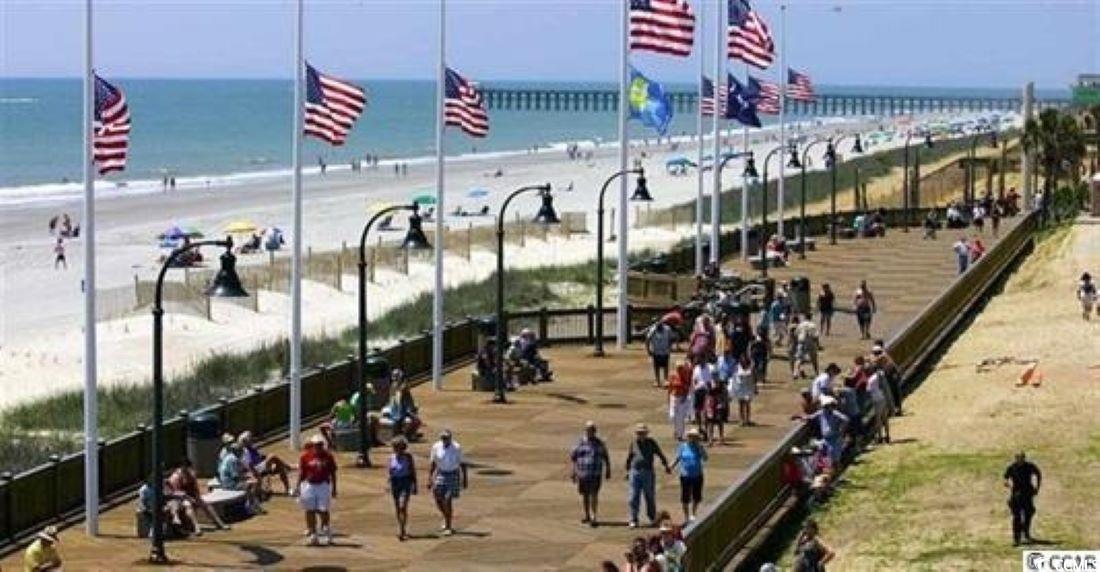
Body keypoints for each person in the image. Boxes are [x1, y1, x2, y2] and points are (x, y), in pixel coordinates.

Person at [624, 423, 671, 528]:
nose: (640, 435)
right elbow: (629, 457)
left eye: (642, 433)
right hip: (635, 472)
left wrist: (666, 465)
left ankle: (652, 517)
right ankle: (634, 518)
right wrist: (627, 471)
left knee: (649, 496)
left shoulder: (651, 442)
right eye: (639, 433)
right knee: (633, 496)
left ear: (646, 434)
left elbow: (660, 454)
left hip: (648, 472)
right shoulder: (633, 443)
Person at [167, 458, 229, 530]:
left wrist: (197, 498)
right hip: (178, 499)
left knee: (206, 505)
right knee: (188, 505)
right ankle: (196, 527)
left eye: (188, 467)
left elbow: (195, 489)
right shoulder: (175, 477)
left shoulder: (191, 474)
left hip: (190, 496)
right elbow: (176, 493)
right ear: (181, 467)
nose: (187, 469)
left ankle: (220, 524)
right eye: (185, 467)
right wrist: (189, 498)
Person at [297, 434, 338, 546]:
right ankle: (313, 533)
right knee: (309, 509)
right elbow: (302, 473)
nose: (318, 447)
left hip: (323, 485)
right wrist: (298, 487)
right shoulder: (305, 457)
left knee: (323, 509)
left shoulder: (328, 456)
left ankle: (325, 528)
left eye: (320, 445)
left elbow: (333, 473)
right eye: (316, 445)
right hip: (309, 485)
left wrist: (334, 488)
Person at [570, 421, 611, 527]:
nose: (590, 432)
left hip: (595, 473)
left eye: (592, 430)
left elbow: (605, 456)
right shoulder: (580, 443)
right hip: (583, 473)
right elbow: (574, 458)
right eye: (588, 430)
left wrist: (608, 470)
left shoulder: (599, 443)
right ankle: (587, 514)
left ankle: (594, 516)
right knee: (585, 495)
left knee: (594, 494)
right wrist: (574, 472)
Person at [429, 429, 468, 536]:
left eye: (446, 438)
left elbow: (463, 464)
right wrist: (430, 478)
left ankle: (448, 525)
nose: (444, 440)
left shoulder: (457, 447)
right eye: (443, 438)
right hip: (441, 473)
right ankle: (446, 516)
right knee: (437, 498)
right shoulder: (436, 446)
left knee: (447, 499)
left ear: (450, 438)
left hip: (453, 474)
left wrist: (464, 479)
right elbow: (433, 463)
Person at [1004, 452, 1042, 546]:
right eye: (1018, 458)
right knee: (1016, 517)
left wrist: (1037, 487)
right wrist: (1006, 482)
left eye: (1021, 458)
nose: (1020, 460)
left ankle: (1026, 533)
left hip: (1028, 493)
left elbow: (1038, 474)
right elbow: (1006, 476)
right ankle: (1016, 538)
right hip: (1016, 494)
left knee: (1029, 513)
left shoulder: (1029, 466)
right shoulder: (1012, 467)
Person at [238, 431, 293, 495]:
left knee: (281, 469)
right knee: (273, 456)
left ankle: (288, 489)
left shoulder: (252, 449)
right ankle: (287, 467)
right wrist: (256, 475)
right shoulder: (246, 452)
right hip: (256, 469)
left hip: (261, 466)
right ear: (246, 442)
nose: (252, 440)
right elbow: (249, 465)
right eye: (250, 439)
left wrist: (265, 458)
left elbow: (262, 457)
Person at [217, 440, 265, 514]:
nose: (242, 452)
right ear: (237, 451)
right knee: (253, 483)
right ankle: (250, 506)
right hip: (229, 484)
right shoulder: (233, 460)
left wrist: (246, 476)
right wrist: (247, 478)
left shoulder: (229, 457)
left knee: (251, 481)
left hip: (226, 481)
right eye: (240, 450)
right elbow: (235, 477)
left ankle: (252, 504)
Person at [670, 429, 708, 522]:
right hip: (685, 475)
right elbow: (677, 458)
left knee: (696, 496)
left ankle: (693, 513)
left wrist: (700, 448)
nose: (692, 439)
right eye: (690, 436)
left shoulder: (699, 447)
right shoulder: (682, 447)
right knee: (685, 497)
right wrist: (671, 466)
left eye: (694, 437)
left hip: (697, 475)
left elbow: (705, 458)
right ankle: (686, 516)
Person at [387, 436, 418, 540]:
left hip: (406, 481)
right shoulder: (391, 457)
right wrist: (388, 483)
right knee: (397, 507)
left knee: (402, 506)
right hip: (395, 482)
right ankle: (401, 528)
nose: (396, 449)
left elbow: (413, 471)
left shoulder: (408, 457)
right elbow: (390, 471)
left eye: (398, 447)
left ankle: (402, 529)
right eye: (394, 447)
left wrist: (415, 485)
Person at [667, 356, 692, 441]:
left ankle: (680, 434)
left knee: (681, 417)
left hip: (682, 397)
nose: (680, 369)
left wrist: (685, 397)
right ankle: (676, 430)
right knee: (673, 416)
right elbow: (670, 387)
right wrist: (668, 397)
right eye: (678, 367)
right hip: (674, 396)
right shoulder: (672, 375)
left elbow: (687, 387)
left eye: (681, 367)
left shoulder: (685, 376)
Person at [646, 320, 674, 387]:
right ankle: (657, 380)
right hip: (656, 351)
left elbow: (671, 338)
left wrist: (670, 347)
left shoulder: (667, 329)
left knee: (665, 366)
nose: (659, 326)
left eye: (660, 325)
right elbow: (647, 340)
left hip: (665, 351)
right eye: (657, 325)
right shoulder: (652, 330)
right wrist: (648, 350)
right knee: (656, 366)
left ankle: (666, 380)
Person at [732, 354, 756, 427]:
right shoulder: (737, 368)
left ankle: (747, 419)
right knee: (741, 405)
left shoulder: (750, 368)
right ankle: (741, 420)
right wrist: (733, 388)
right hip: (740, 388)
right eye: (742, 361)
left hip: (748, 388)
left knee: (747, 404)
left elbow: (753, 378)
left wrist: (755, 388)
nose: (743, 362)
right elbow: (734, 378)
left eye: (745, 361)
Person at [704, 376, 729, 445]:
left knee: (720, 422)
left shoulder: (722, 386)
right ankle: (710, 439)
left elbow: (725, 397)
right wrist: (707, 407)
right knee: (710, 422)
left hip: (719, 405)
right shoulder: (709, 385)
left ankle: (721, 438)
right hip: (711, 405)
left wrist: (723, 404)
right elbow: (707, 396)